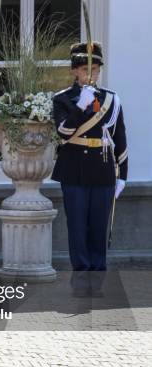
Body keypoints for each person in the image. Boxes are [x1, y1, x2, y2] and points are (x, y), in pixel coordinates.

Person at [51, 42, 127, 295]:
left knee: (98, 227)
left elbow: (121, 139)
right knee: (77, 228)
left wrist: (122, 176)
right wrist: (81, 106)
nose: (91, 75)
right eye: (86, 69)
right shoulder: (62, 99)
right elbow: (63, 133)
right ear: (75, 71)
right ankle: (81, 280)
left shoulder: (112, 99)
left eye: (95, 69)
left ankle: (97, 281)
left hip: (104, 168)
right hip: (74, 170)